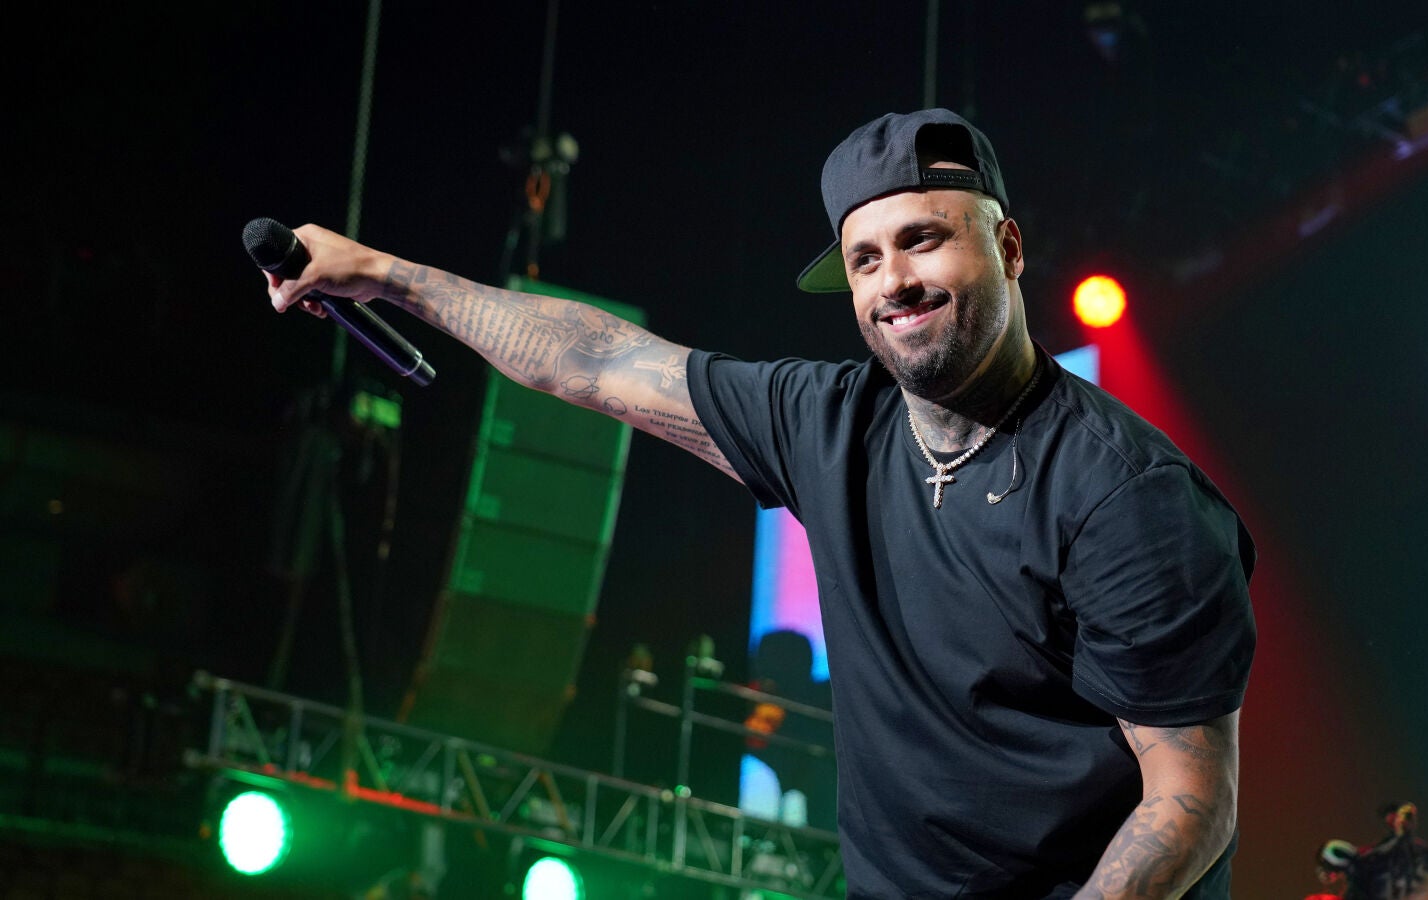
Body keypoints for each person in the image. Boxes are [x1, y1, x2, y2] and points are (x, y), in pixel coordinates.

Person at [265, 108, 1256, 899]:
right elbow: (596, 360)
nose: (894, 282)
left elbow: (1189, 801)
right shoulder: (830, 423)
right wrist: (385, 276)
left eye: (922, 242)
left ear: (1007, 246)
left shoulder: (1126, 496)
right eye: (865, 259)